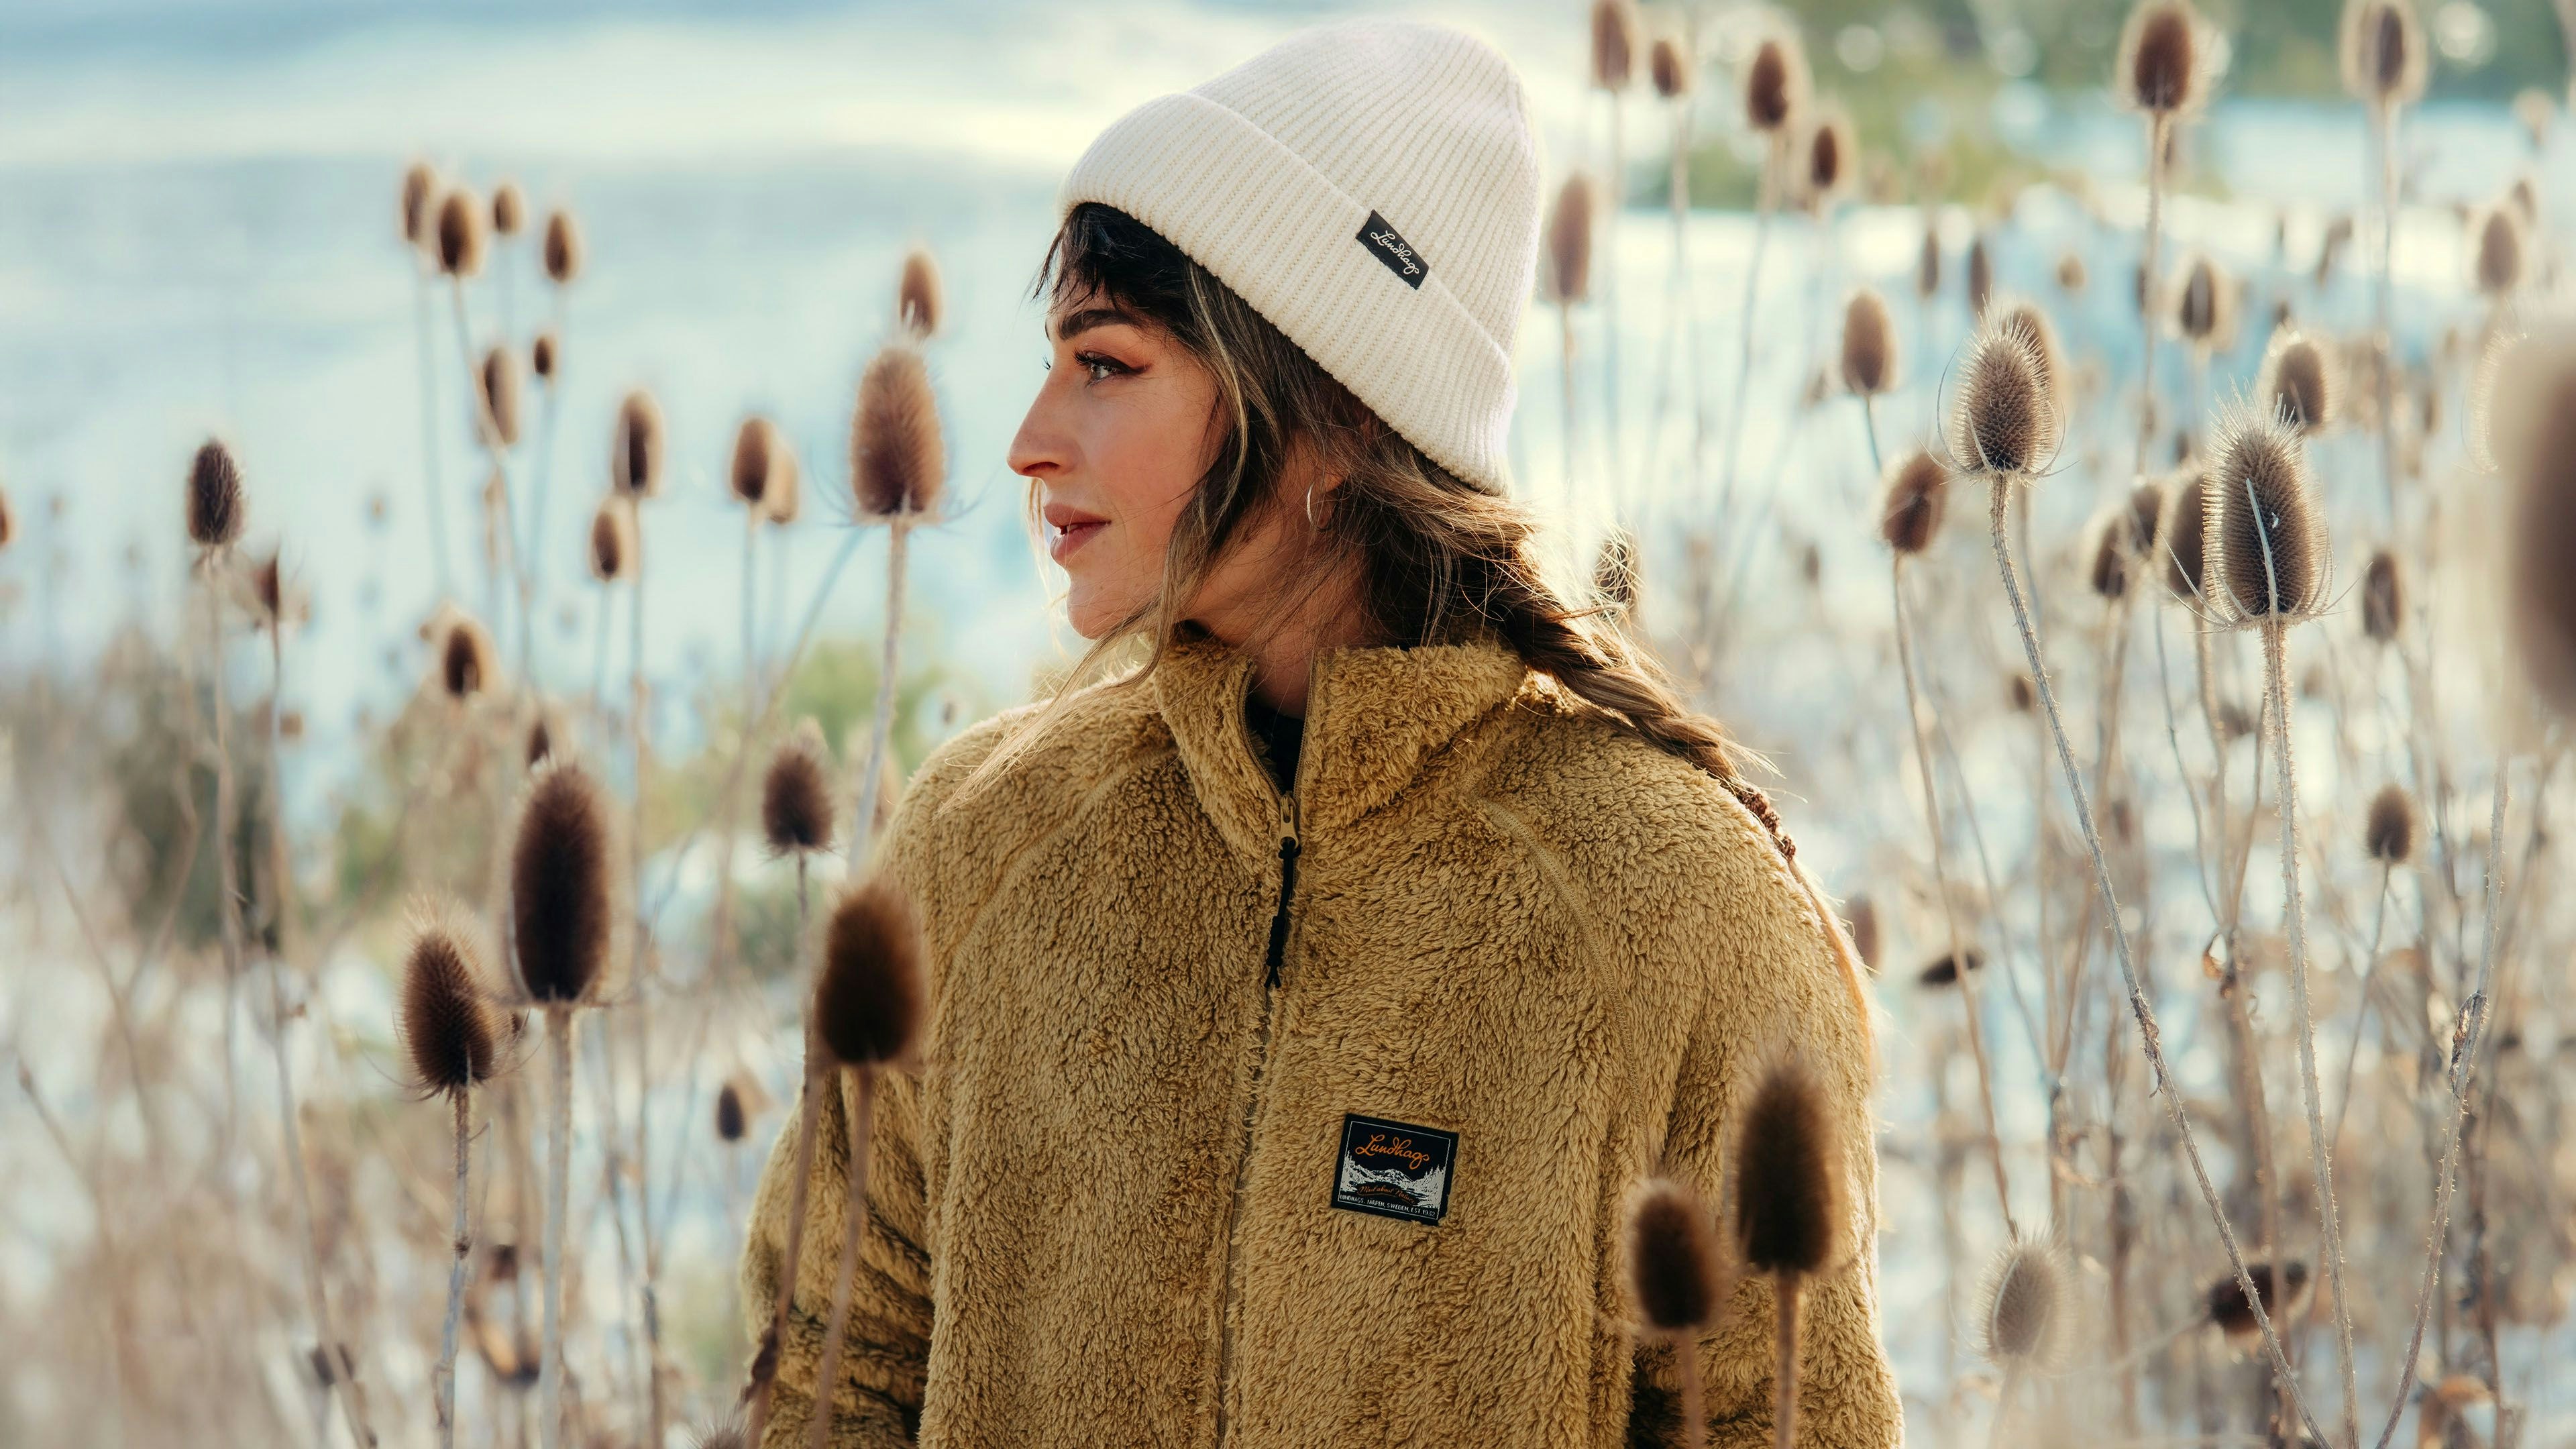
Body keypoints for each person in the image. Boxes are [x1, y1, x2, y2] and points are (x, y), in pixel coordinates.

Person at [741, 18, 1897, 1447]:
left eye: (1108, 365)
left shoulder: (1669, 911)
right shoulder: (983, 845)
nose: (1031, 438)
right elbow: (824, 1371)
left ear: (1336, 409)